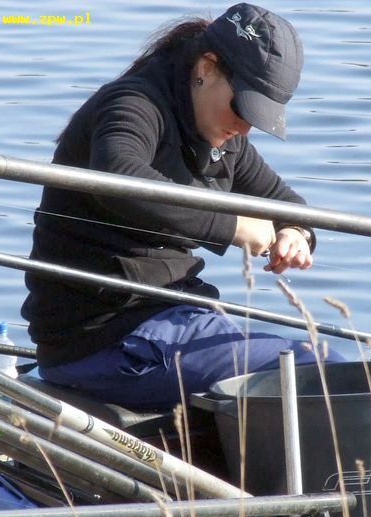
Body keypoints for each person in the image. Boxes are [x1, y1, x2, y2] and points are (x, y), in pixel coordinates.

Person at [21, 3, 339, 408]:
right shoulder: (133, 104)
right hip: (104, 341)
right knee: (320, 369)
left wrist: (297, 233)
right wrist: (232, 226)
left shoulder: (224, 136)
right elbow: (118, 176)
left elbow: (288, 205)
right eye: (243, 107)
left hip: (169, 319)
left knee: (329, 369)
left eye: (259, 117)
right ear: (206, 67)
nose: (244, 127)